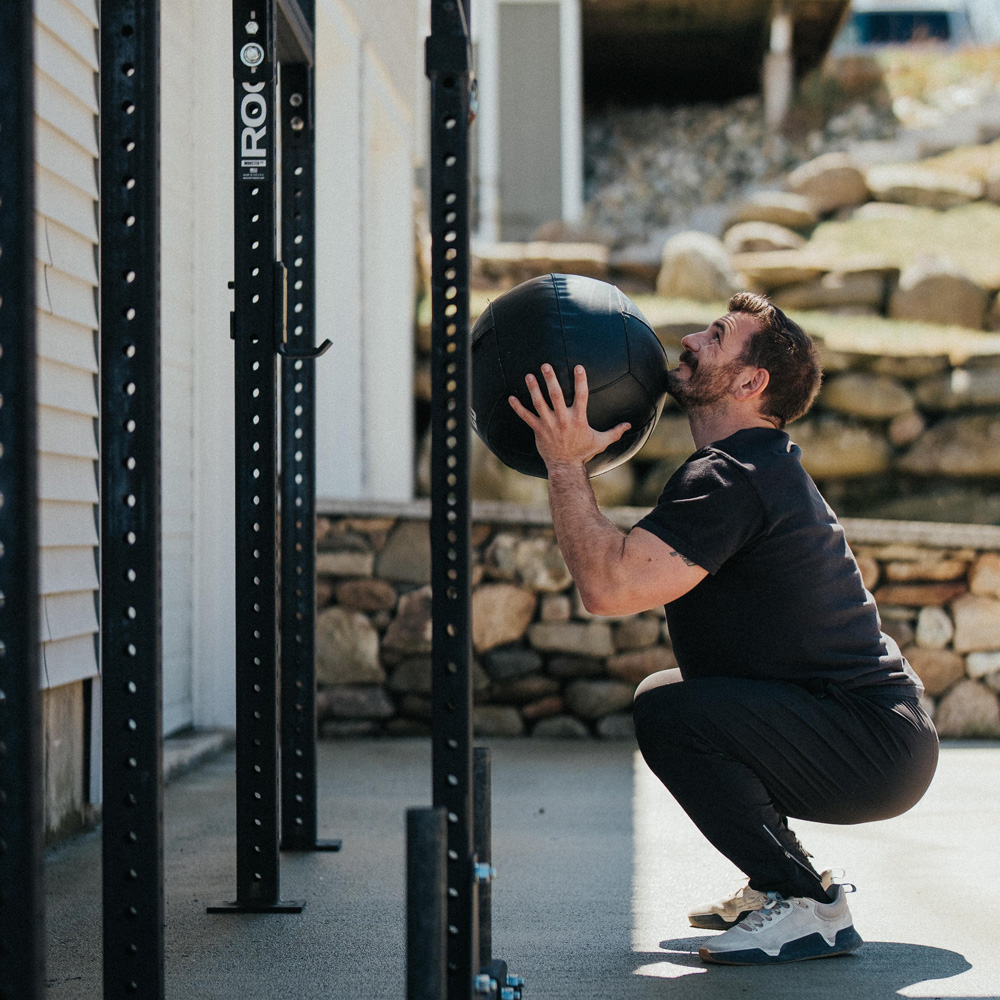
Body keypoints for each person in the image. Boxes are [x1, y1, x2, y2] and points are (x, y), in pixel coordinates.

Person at [508, 291, 939, 966]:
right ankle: (782, 881)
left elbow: (609, 587)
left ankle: (808, 907)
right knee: (671, 693)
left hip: (872, 745)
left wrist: (565, 463)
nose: (689, 340)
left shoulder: (736, 474)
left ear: (749, 382)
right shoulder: (752, 465)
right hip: (878, 737)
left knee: (672, 713)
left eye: (716, 336)